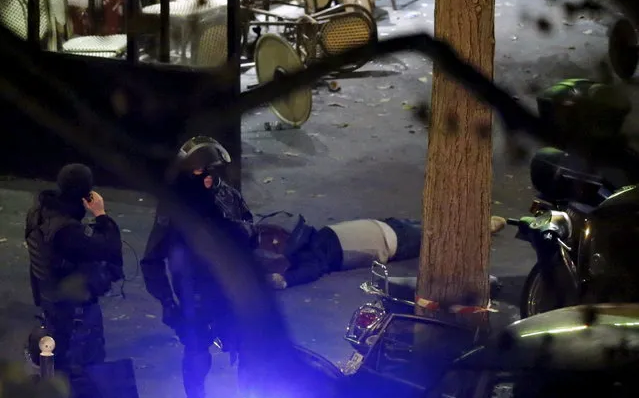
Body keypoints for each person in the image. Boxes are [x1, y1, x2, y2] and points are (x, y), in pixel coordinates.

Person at [140, 136, 254, 398]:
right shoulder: (174, 208)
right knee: (196, 357)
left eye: (213, 173)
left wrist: (230, 229)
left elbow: (251, 234)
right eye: (202, 173)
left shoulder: (225, 195)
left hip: (231, 295)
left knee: (248, 352)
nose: (209, 179)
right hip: (195, 299)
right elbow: (151, 261)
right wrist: (168, 304)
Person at [24, 163, 123, 396]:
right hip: (75, 314)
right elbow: (110, 250)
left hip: (49, 303)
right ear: (86, 193)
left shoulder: (39, 213)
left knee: (59, 371)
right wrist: (101, 215)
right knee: (84, 376)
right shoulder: (67, 232)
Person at [255, 215, 506, 290]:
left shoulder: (314, 251)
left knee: (442, 233)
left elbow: (311, 270)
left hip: (393, 238)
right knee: (437, 228)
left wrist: (285, 280)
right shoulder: (317, 236)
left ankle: (481, 226)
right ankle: (480, 223)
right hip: (387, 230)